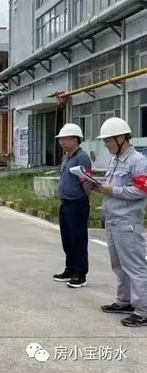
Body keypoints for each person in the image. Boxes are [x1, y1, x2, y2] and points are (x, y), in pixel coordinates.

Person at [91, 117, 147, 327]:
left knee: (135, 266)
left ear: (121, 137)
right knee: (119, 265)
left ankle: (143, 310)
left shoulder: (138, 161)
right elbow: (110, 186)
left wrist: (113, 190)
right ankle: (124, 301)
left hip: (127, 221)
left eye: (108, 140)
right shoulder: (115, 160)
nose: (106, 145)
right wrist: (96, 186)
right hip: (113, 219)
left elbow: (142, 190)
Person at [53, 123, 92, 289]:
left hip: (77, 203)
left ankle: (80, 273)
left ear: (75, 140)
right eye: (60, 139)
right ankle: (69, 269)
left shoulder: (82, 158)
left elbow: (87, 181)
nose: (61, 142)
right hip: (65, 202)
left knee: (78, 239)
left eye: (64, 139)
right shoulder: (66, 157)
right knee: (67, 239)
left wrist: (86, 195)